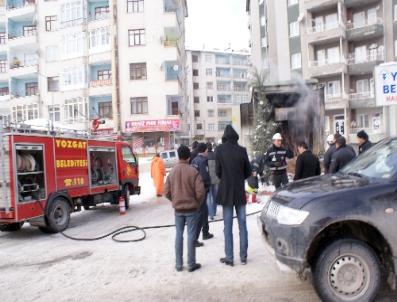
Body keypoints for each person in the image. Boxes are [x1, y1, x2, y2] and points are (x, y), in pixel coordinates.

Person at [165, 145, 206, 272]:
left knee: (179, 235)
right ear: (189, 157)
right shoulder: (193, 171)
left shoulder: (172, 172)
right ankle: (191, 264)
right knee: (191, 235)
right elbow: (201, 192)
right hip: (191, 209)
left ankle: (178, 264)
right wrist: (196, 203)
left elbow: (166, 192)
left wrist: (175, 200)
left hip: (178, 210)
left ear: (178, 156)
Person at [215, 125, 251, 266]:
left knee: (227, 226)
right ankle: (243, 256)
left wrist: (224, 177)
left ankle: (229, 257)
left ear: (225, 137)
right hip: (239, 192)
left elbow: (217, 172)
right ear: (236, 137)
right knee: (242, 225)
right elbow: (248, 171)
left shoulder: (219, 150)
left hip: (226, 193)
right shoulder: (242, 150)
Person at [191, 143, 213, 245]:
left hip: (196, 190)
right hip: (202, 190)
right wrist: (210, 183)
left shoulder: (194, 160)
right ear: (205, 151)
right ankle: (194, 238)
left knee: (204, 212)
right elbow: (204, 177)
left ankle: (205, 232)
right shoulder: (203, 161)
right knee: (200, 214)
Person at [206, 142, 219, 220]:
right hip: (216, 178)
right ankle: (214, 211)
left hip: (208, 179)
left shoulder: (205, 156)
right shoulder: (215, 155)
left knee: (209, 197)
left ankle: (210, 214)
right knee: (215, 196)